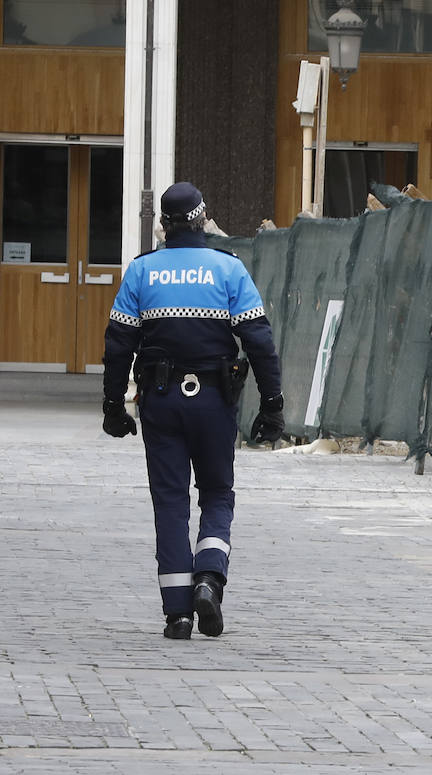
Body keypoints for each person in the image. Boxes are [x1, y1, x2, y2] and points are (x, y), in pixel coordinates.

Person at [100, 182, 285, 640]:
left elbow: (118, 343)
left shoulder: (142, 272)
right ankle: (209, 576)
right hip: (215, 401)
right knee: (218, 493)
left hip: (160, 401)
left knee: (170, 503)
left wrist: (112, 406)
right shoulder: (228, 269)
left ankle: (178, 614)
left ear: (163, 225)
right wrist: (273, 404)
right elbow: (259, 341)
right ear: (203, 220)